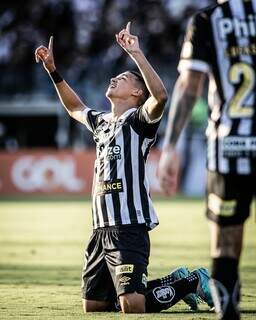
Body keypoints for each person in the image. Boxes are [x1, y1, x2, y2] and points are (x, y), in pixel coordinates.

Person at [35, 22, 212, 314]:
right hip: (99, 228)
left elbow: (161, 98)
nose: (115, 78)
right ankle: (175, 280)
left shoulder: (139, 122)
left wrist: (137, 55)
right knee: (94, 306)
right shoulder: (101, 123)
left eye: (124, 78)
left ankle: (190, 282)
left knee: (132, 305)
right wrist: (53, 71)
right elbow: (75, 108)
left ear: (136, 94)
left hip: (129, 225)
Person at [158, 0, 256, 319]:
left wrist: (170, 145)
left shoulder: (207, 21)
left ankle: (228, 312)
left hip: (229, 148)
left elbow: (188, 87)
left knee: (224, 244)